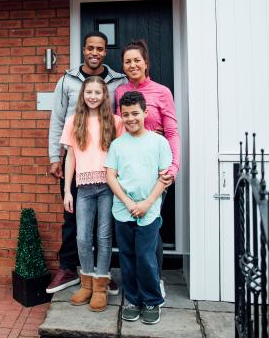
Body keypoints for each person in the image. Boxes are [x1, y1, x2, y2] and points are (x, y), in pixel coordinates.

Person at [46, 31, 127, 294]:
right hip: (76, 163)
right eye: (90, 48)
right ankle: (71, 268)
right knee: (74, 222)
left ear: (105, 52)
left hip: (105, 168)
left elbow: (124, 120)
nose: (95, 52)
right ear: (84, 49)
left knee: (105, 227)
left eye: (100, 49)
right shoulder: (67, 80)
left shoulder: (118, 81)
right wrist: (54, 157)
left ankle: (101, 276)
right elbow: (57, 120)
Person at [114, 39, 179, 296]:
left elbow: (172, 131)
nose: (132, 65)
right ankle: (133, 285)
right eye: (127, 61)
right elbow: (118, 128)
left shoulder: (162, 92)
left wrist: (173, 167)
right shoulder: (120, 93)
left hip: (156, 169)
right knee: (131, 226)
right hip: (129, 168)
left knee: (150, 225)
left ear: (146, 63)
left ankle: (155, 279)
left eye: (137, 60)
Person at [105, 91, 170, 325]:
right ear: (120, 116)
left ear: (145, 112)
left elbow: (164, 178)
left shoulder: (159, 142)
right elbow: (111, 176)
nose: (130, 118)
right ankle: (132, 300)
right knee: (128, 257)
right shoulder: (117, 145)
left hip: (149, 211)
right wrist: (130, 203)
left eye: (135, 113)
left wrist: (145, 203)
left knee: (145, 256)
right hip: (123, 211)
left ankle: (152, 300)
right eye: (126, 114)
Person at [60, 76, 124, 311]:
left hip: (107, 186)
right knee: (83, 237)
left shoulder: (116, 122)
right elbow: (71, 157)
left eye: (98, 92)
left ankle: (100, 287)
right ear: (83, 95)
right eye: (89, 92)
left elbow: (122, 155)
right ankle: (86, 283)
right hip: (83, 188)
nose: (93, 97)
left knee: (104, 237)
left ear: (104, 95)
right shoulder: (73, 121)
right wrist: (67, 190)